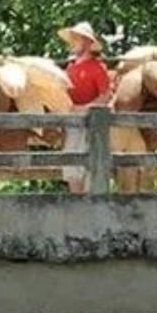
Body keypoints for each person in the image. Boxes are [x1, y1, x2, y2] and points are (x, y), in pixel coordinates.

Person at [58, 21, 111, 193]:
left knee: (89, 171)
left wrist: (84, 108)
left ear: (88, 43)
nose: (72, 42)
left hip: (91, 125)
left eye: (77, 39)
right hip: (72, 125)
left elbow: (106, 96)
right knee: (72, 171)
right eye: (72, 39)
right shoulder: (70, 68)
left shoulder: (97, 68)